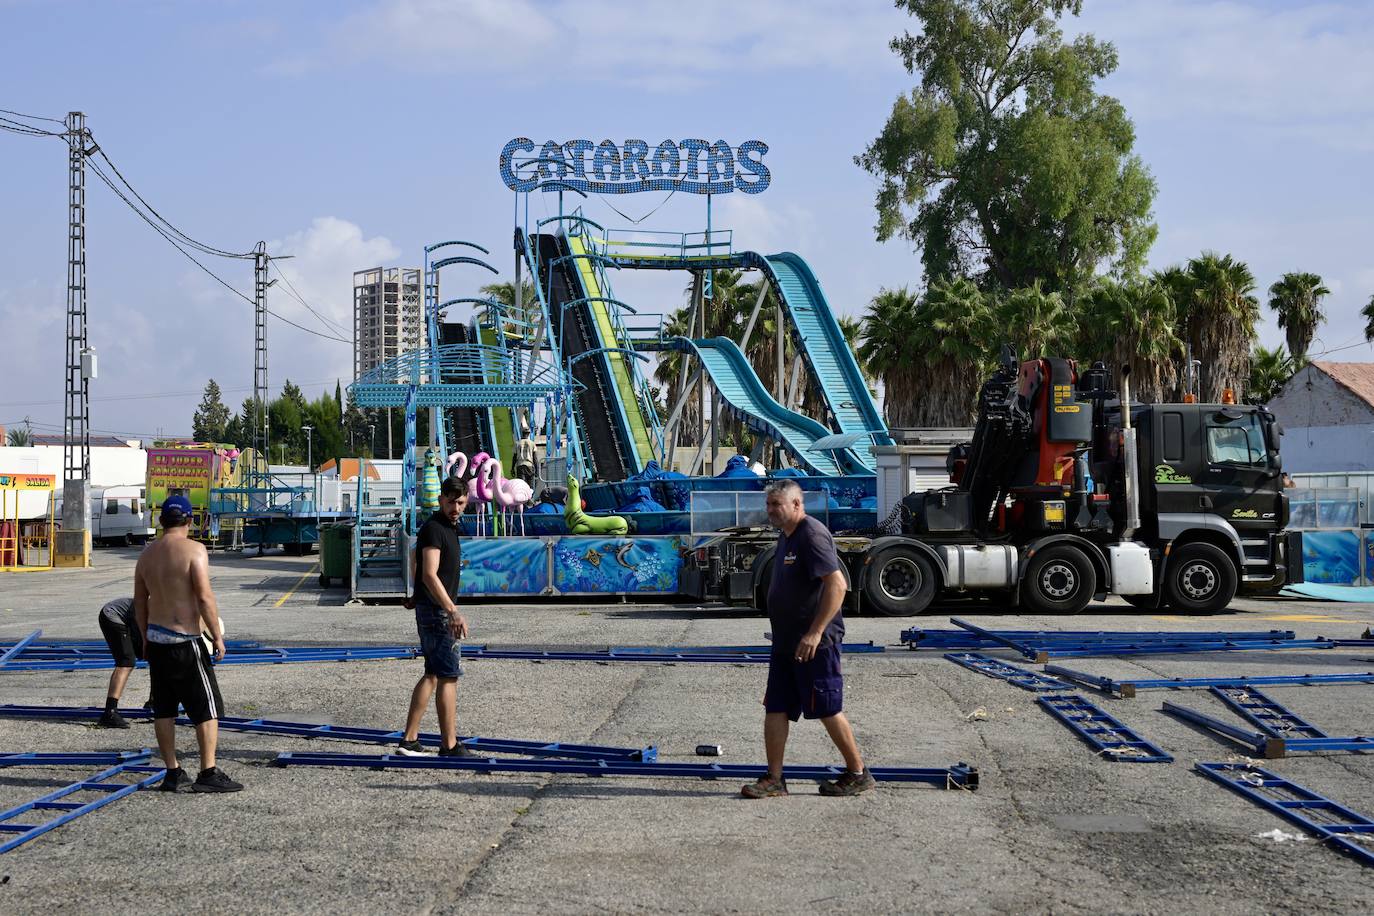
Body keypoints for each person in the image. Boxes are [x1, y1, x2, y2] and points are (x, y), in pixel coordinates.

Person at [741, 480, 874, 798]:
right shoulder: (786, 536)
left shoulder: (810, 535)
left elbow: (838, 585)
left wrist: (815, 632)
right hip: (787, 642)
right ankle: (775, 779)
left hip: (814, 643)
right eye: (769, 505)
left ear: (797, 505)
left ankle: (858, 773)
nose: (771, 511)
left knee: (826, 707)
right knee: (776, 706)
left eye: (777, 505)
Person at [134, 495, 242, 793]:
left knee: (164, 709)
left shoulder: (146, 555)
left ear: (160, 521)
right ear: (191, 521)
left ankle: (173, 771)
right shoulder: (195, 550)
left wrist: (144, 637)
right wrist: (217, 638)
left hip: (156, 640)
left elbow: (140, 602)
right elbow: (205, 597)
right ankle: (207, 772)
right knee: (207, 707)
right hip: (185, 641)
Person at [396, 477, 473, 758]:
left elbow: (417, 561)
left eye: (461, 502)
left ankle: (409, 740)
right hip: (439, 613)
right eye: (451, 501)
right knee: (448, 676)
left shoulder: (446, 528)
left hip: (430, 608)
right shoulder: (435, 528)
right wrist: (452, 610)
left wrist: (416, 594)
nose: (456, 507)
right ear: (441, 499)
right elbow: (429, 571)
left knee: (431, 674)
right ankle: (449, 745)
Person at [95, 596, 147, 728]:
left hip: (128, 619)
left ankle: (153, 701)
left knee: (155, 656)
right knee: (126, 662)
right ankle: (110, 713)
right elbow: (142, 627)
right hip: (112, 616)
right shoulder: (154, 604)